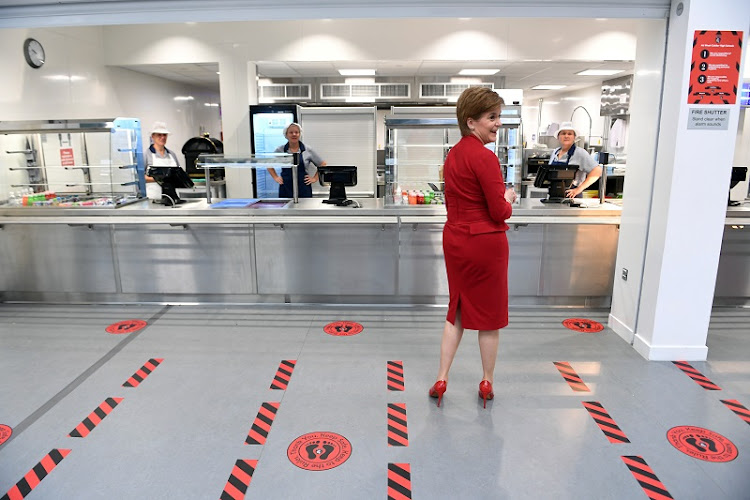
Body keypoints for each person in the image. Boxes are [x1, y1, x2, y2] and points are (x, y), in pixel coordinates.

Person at [429, 87, 517, 408]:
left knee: (458, 310)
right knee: (489, 318)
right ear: (471, 122)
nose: (497, 124)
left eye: (498, 116)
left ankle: (442, 376)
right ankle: (486, 381)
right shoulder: (485, 157)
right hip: (486, 243)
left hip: (456, 239)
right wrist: (508, 199)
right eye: (492, 117)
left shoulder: (452, 155)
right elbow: (498, 211)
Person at [268, 122, 326, 198]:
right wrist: (275, 177)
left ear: (299, 134)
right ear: (286, 134)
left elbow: (322, 164)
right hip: (286, 187)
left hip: (304, 188)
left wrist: (314, 178)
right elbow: (268, 164)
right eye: (291, 132)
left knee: (304, 209)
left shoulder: (307, 149)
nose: (294, 134)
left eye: (296, 132)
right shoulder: (280, 150)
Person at [549, 121, 602, 198]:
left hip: (572, 196)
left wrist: (579, 189)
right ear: (558, 137)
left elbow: (597, 171)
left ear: (574, 137)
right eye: (563, 133)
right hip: (554, 194)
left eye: (570, 134)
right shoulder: (555, 152)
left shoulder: (580, 153)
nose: (566, 136)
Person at [144, 122, 181, 200]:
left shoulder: (172, 154)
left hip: (172, 197)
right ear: (153, 136)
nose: (162, 137)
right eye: (159, 135)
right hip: (153, 197)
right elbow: (140, 178)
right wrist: (160, 179)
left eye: (164, 135)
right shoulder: (146, 155)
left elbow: (179, 173)